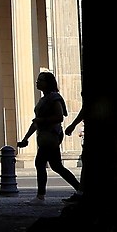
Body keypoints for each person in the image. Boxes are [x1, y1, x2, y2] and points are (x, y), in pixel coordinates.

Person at [17, 70, 84, 200]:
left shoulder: (54, 98)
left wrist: (41, 121)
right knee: (56, 166)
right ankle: (80, 190)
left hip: (51, 136)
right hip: (46, 136)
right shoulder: (45, 99)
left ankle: (40, 196)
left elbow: (59, 117)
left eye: (40, 80)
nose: (37, 82)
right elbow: (36, 122)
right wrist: (26, 138)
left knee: (40, 163)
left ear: (48, 83)